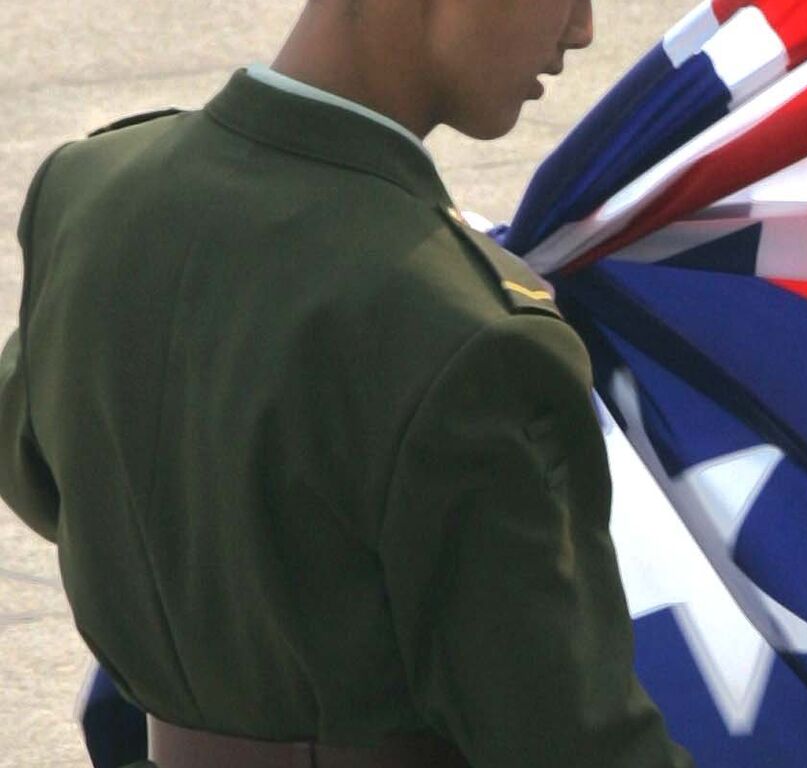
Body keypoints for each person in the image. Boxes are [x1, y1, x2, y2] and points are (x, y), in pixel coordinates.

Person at [0, 1, 693, 766]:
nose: (581, 29)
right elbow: (567, 737)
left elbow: (41, 471)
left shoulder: (90, 190)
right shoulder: (471, 337)